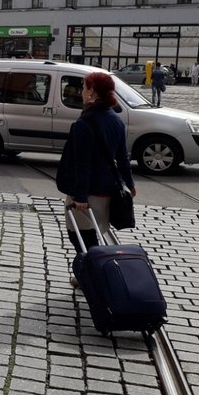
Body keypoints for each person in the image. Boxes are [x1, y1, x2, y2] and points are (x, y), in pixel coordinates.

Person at [56, 71, 136, 278]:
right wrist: (130, 184)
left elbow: (83, 163)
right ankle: (92, 274)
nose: (82, 92)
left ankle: (91, 276)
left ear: (91, 92)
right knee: (97, 232)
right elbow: (123, 158)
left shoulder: (83, 125)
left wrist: (80, 196)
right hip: (109, 189)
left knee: (80, 236)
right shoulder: (116, 121)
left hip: (88, 191)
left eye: (84, 87)